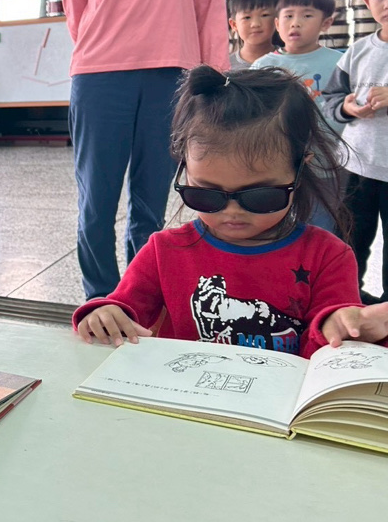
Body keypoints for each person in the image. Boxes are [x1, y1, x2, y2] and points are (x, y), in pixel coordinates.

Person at [73, 65, 388, 358]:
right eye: (206, 194)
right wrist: (103, 314)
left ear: (300, 170)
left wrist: (346, 328)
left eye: (260, 196)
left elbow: (332, 352)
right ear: (184, 169)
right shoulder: (163, 251)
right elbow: (122, 312)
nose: (231, 211)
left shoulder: (328, 257)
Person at [60, 0, 230, 301]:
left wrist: (215, 79)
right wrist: (112, 46)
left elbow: (208, 3)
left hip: (173, 77)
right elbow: (78, 12)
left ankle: (140, 295)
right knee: (96, 203)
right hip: (100, 77)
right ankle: (100, 298)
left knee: (151, 204)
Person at [252, 0, 345, 233]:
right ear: (277, 22)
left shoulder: (340, 63)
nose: (295, 23)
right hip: (277, 163)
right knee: (274, 223)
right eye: (288, 16)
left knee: (320, 226)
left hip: (326, 164)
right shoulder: (263, 66)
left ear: (326, 23)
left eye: (307, 16)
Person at [323, 0, 388, 304]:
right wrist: (346, 107)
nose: (386, 4)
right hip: (356, 165)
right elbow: (331, 98)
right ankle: (345, 303)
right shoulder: (358, 51)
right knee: (349, 241)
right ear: (366, 1)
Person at [227, 0, 281, 68]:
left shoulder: (289, 61)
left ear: (278, 20)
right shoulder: (225, 66)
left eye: (264, 15)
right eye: (247, 17)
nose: (255, 24)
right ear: (234, 25)